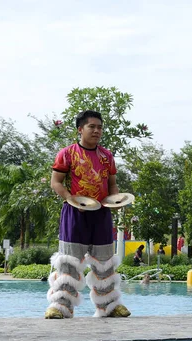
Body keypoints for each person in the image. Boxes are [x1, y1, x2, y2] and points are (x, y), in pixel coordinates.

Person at [45, 110, 130, 319]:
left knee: (105, 262)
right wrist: (71, 199)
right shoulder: (66, 153)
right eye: (92, 127)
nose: (97, 131)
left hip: (101, 213)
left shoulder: (107, 156)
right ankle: (60, 306)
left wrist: (116, 201)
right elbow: (55, 182)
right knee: (69, 261)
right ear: (80, 129)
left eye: (100, 127)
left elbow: (112, 184)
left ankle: (110, 306)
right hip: (75, 213)